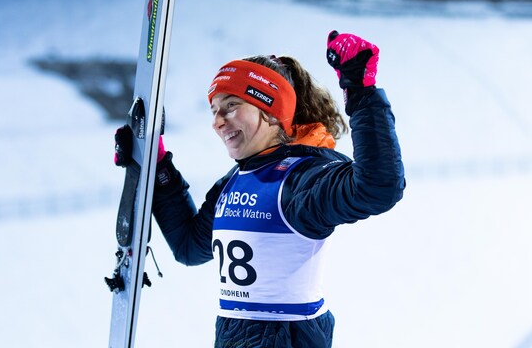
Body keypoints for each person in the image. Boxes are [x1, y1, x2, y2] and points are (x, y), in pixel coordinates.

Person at [114, 30, 406, 347]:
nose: (217, 122)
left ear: (270, 110)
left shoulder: (302, 179)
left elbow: (378, 187)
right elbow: (189, 246)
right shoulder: (234, 183)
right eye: (214, 110)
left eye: (231, 105)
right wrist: (159, 169)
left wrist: (360, 91)